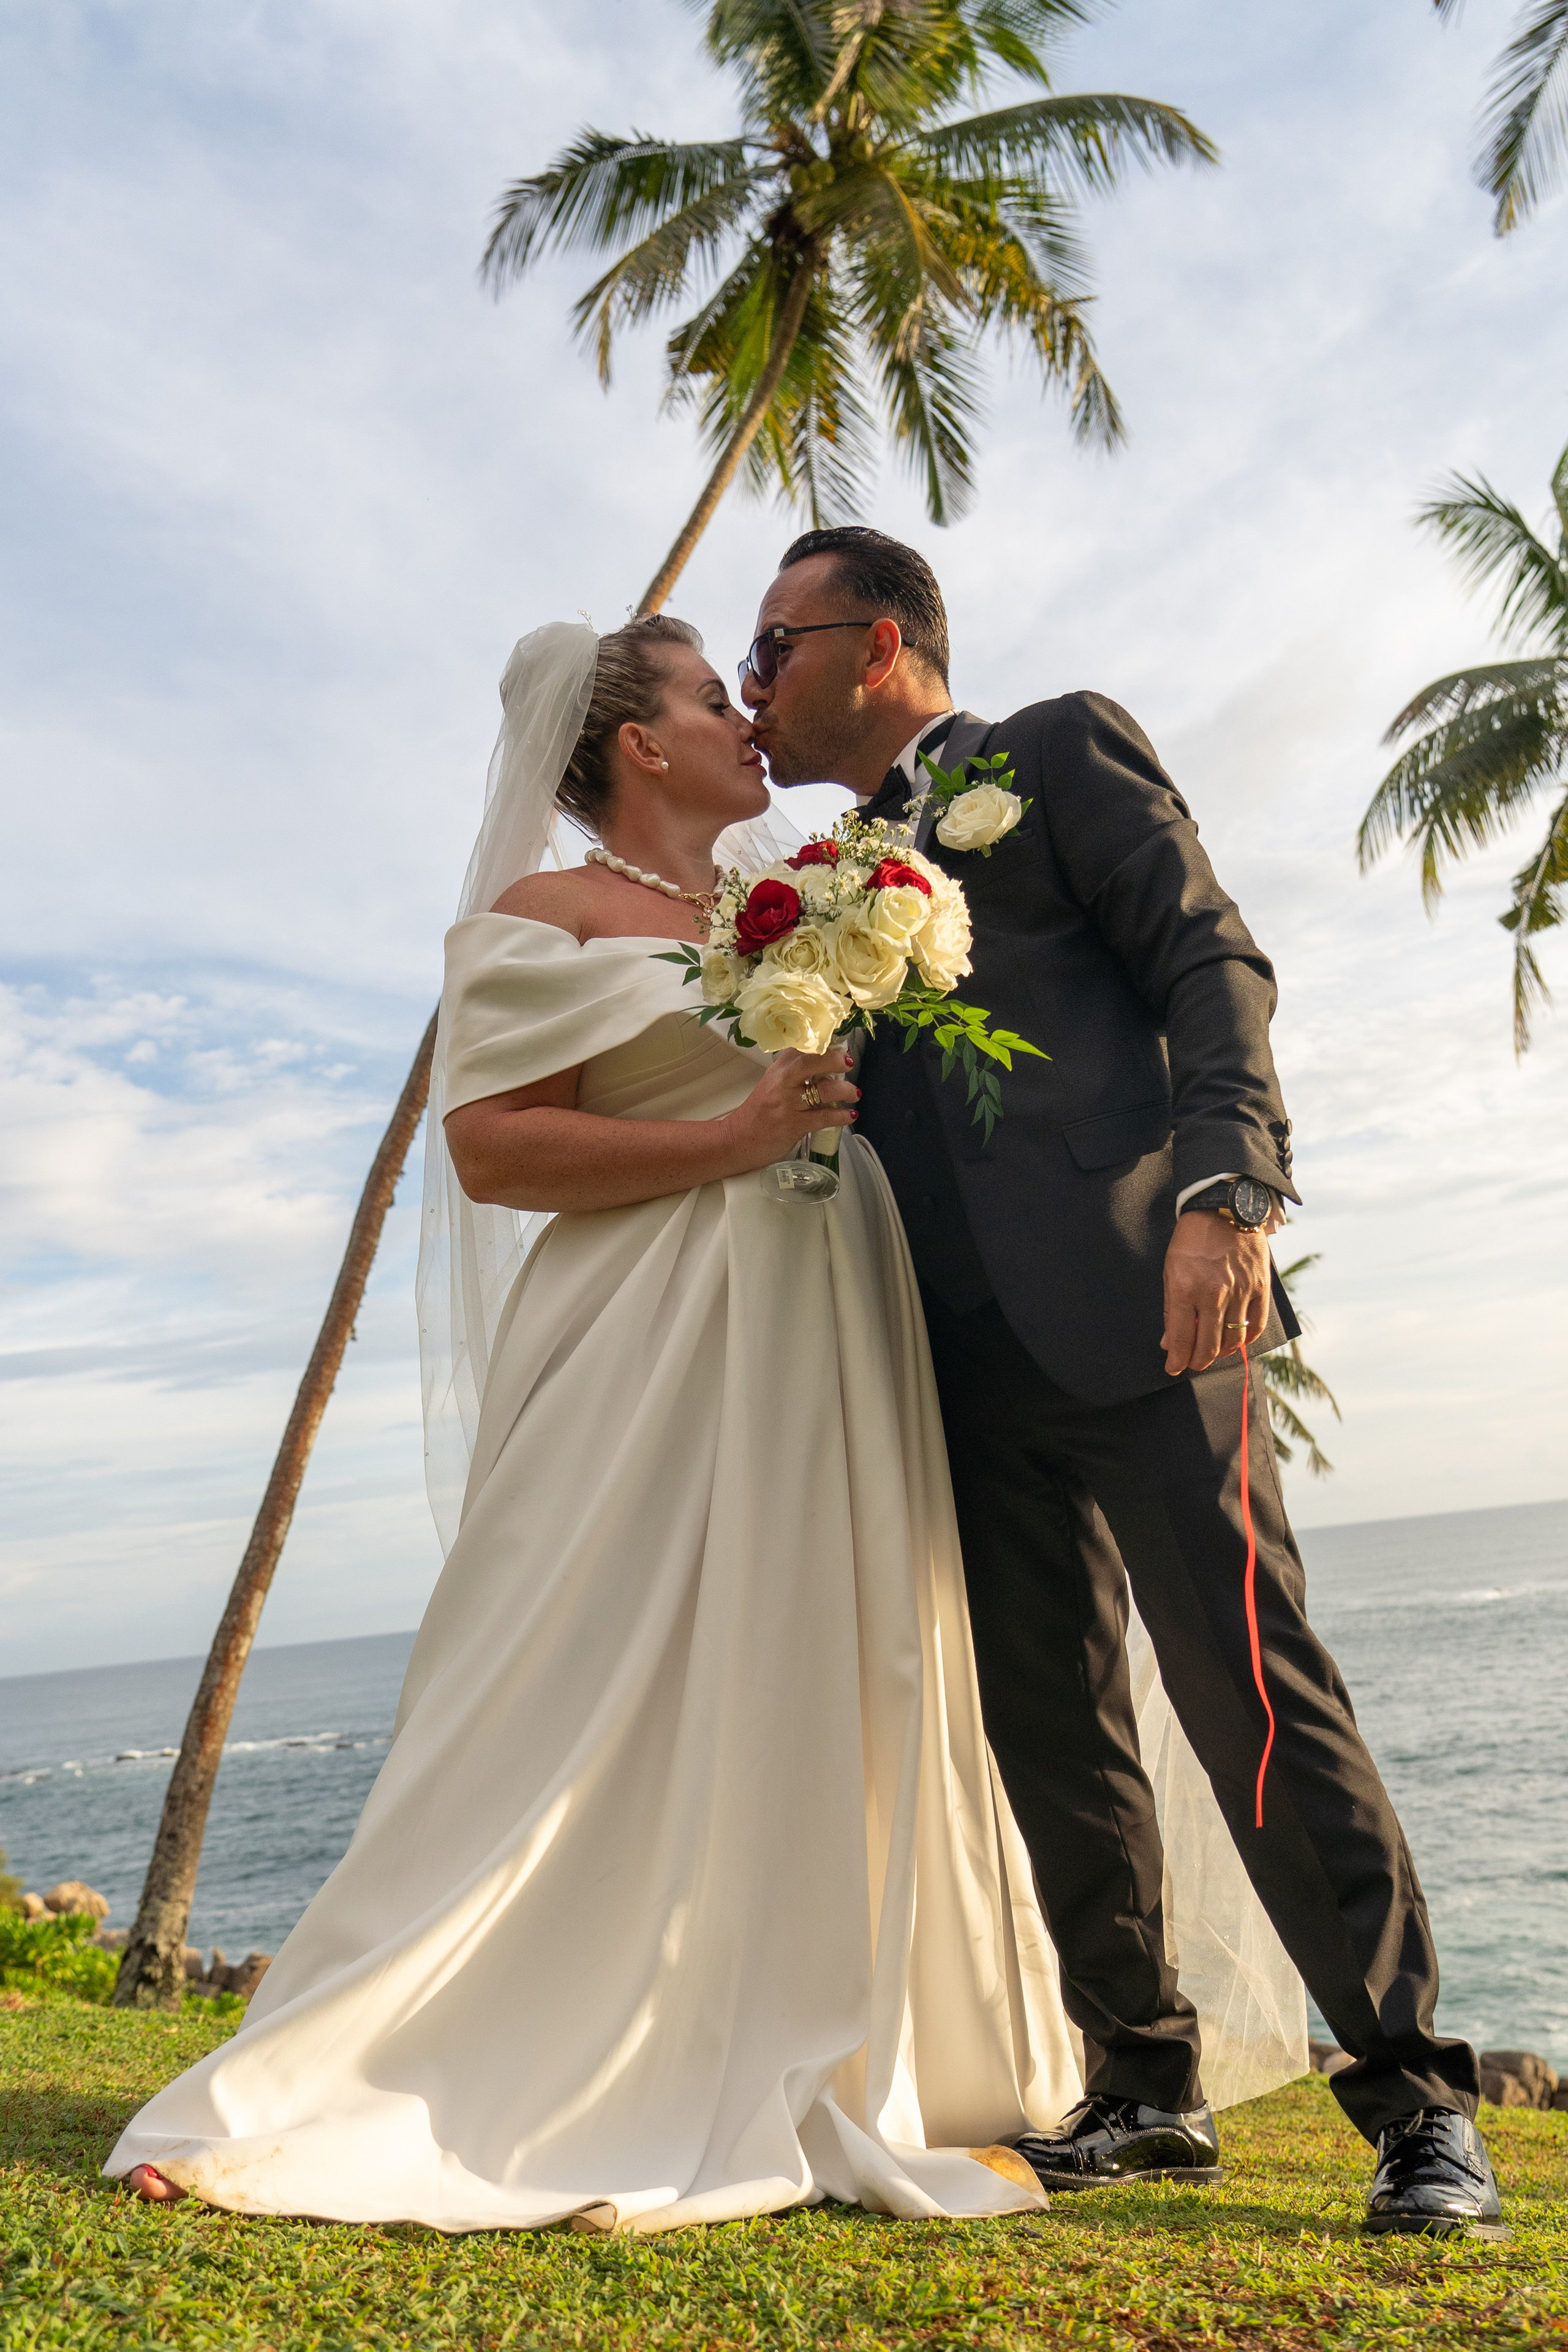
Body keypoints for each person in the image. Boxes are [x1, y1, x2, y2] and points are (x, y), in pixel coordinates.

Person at [106, 617, 1298, 2232]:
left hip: (832, 1317)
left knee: (832, 1655)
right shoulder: (542, 917)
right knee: (588, 1668)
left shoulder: (788, 897)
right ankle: (492, 2045)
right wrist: (735, 1134)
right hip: (656, 1332)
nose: (748, 717)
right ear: (637, 748)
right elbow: (495, 1153)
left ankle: (859, 2005)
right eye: (704, 698)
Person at [740, 526, 1504, 2241]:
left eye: (770, 647)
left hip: (1153, 1308)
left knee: (1250, 1687)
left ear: (876, 645)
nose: (750, 684)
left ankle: (1415, 2104)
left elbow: (1207, 963)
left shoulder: (1057, 750)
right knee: (1049, 1716)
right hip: (948, 1351)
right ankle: (1143, 2081)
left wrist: (1228, 1195)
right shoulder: (823, 874)